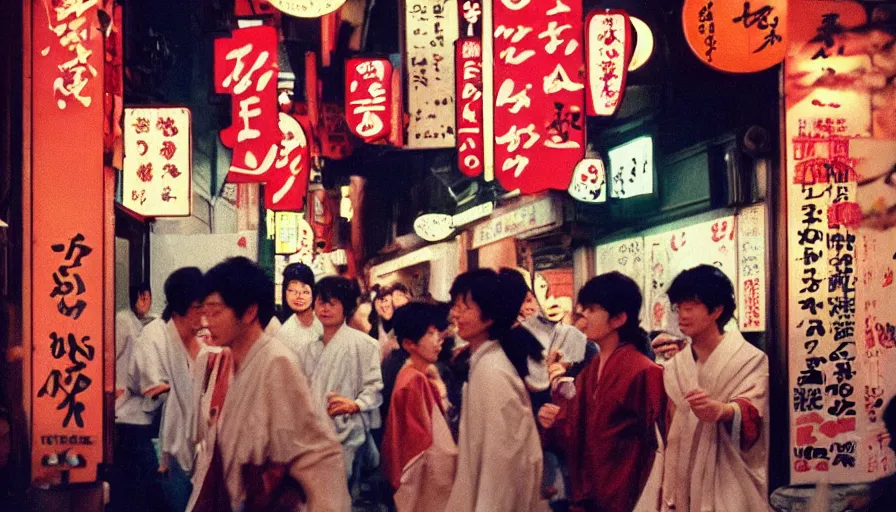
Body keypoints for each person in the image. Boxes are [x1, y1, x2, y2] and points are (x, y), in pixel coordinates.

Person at [188, 257, 349, 511]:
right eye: (205, 313)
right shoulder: (229, 361)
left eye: (216, 312)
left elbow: (317, 452)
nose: (208, 322)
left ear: (250, 312)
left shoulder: (276, 362)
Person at [538, 272, 666, 511]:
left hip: (627, 494)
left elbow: (657, 445)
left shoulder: (644, 371)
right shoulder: (591, 369)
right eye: (582, 309)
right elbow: (575, 426)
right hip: (591, 493)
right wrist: (553, 418)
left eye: (591, 310)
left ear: (618, 319)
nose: (582, 317)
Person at [661, 264, 769, 512]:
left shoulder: (750, 359)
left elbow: (755, 413)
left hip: (729, 477)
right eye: (678, 308)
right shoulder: (675, 366)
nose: (682, 316)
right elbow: (669, 425)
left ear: (717, 310)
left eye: (690, 308)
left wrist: (723, 411)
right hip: (681, 477)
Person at [445, 269, 548, 511]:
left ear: (489, 317)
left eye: (465, 307)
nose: (455, 314)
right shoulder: (485, 363)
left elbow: (501, 460)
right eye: (456, 305)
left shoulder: (492, 372)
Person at [295, 276, 384, 488]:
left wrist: (356, 405)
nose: (325, 308)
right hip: (313, 437)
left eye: (333, 303)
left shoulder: (365, 345)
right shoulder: (308, 350)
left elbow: (374, 388)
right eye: (321, 302)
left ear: (346, 308)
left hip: (347, 434)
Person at [130, 267, 207, 511]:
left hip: (197, 439)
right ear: (181, 305)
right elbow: (152, 388)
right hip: (154, 434)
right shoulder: (154, 335)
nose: (204, 313)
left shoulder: (203, 337)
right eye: (198, 307)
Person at [382, 302, 457, 511]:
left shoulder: (411, 374)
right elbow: (426, 444)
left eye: (437, 333)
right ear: (409, 344)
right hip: (423, 483)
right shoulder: (415, 380)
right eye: (430, 334)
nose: (438, 341)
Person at [115, 282, 152, 409]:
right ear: (133, 299)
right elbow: (110, 356)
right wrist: (114, 387)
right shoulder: (123, 319)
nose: (144, 303)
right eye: (141, 298)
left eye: (147, 298)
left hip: (134, 392)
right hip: (119, 389)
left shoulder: (145, 322)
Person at [277, 262, 323, 356]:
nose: (299, 296)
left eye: (304, 291)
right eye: (293, 291)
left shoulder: (325, 319)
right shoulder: (284, 333)